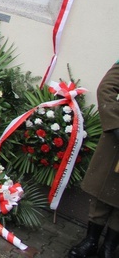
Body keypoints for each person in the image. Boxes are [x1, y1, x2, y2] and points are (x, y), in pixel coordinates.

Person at [68, 62, 119, 257]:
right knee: (103, 189)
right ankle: (90, 241)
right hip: (116, 142)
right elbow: (107, 88)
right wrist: (115, 125)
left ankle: (109, 248)